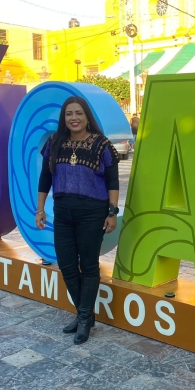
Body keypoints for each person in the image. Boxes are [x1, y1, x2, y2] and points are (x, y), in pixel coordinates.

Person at [36, 97, 120, 345]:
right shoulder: (55, 143)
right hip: (63, 211)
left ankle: (84, 318)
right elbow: (45, 177)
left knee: (90, 265)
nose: (74, 118)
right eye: (69, 114)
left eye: (79, 114)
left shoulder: (101, 144)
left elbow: (112, 181)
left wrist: (112, 212)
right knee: (67, 264)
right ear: (64, 118)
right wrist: (40, 209)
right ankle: (85, 313)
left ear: (87, 116)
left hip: (92, 212)